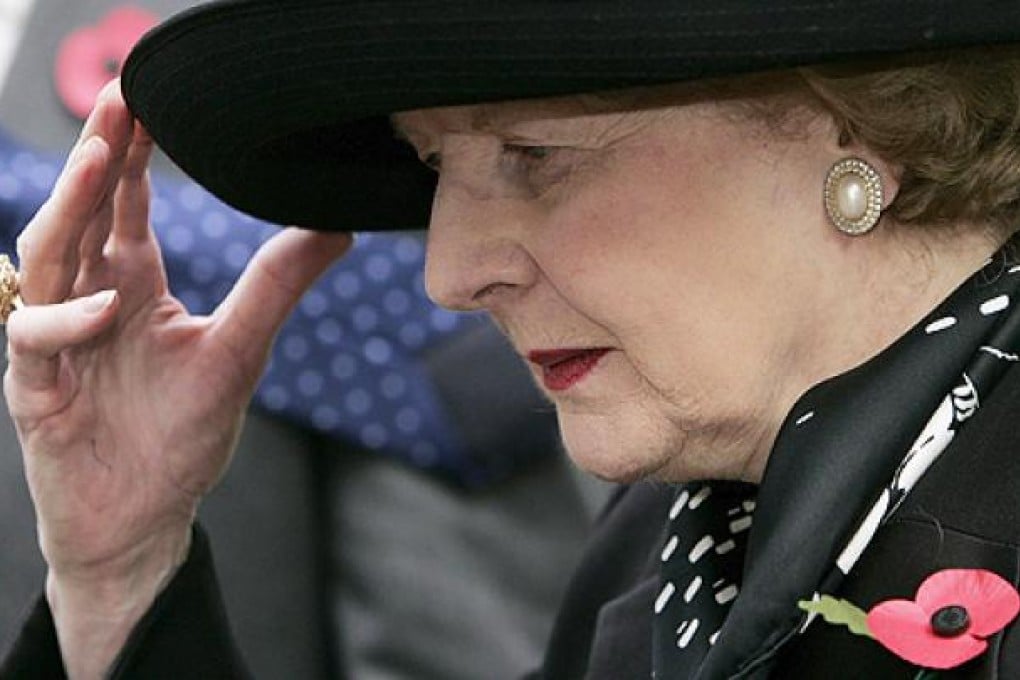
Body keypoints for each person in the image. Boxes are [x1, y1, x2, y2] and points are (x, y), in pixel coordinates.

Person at [4, 1, 1020, 678]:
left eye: (533, 154)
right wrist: (123, 572)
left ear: (866, 127)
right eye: (434, 163)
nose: (449, 275)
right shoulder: (672, 540)